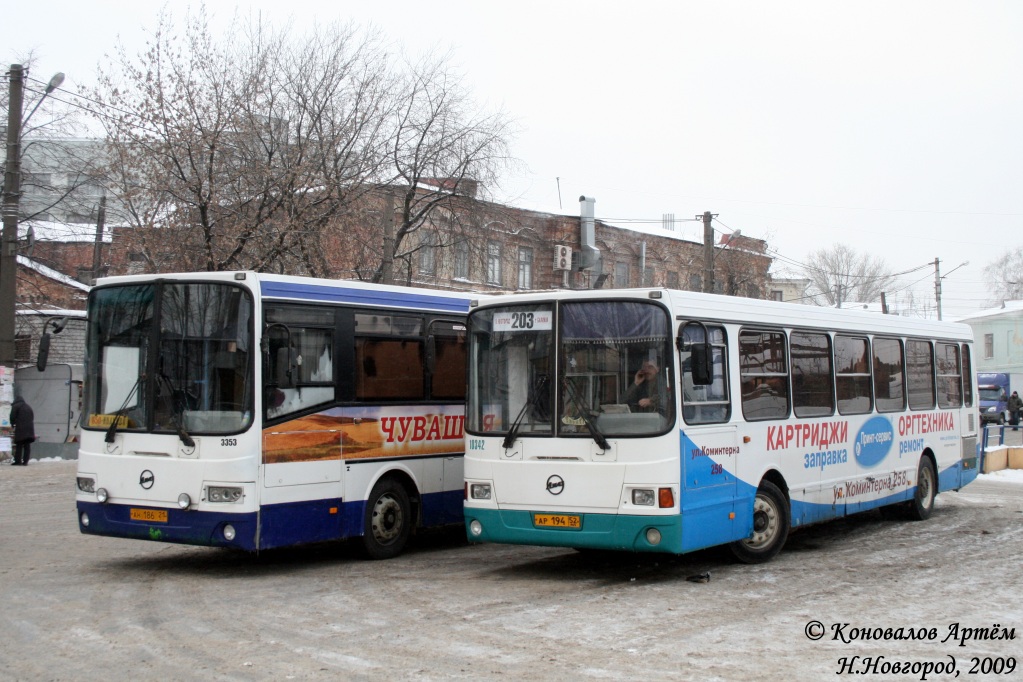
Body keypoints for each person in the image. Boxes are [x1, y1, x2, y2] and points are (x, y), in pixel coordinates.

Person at [10, 395, 35, 466]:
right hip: (30, 429)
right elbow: (32, 417)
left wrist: (13, 424)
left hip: (21, 428)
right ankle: (25, 461)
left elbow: (12, 416)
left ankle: (18, 461)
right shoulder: (28, 407)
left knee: (19, 444)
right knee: (27, 445)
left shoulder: (16, 406)